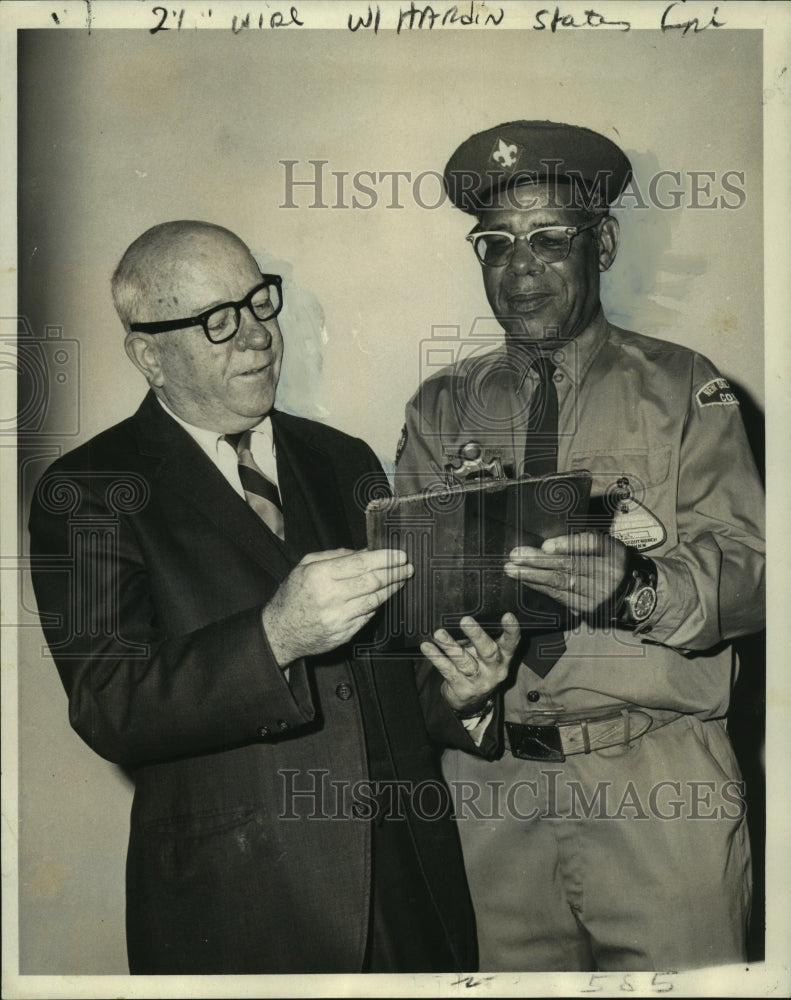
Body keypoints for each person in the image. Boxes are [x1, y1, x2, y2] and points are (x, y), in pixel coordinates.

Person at [27, 220, 521, 975]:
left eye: (260, 303)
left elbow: (384, 672)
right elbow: (109, 704)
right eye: (216, 321)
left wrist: (458, 694)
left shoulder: (341, 457)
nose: (256, 337)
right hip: (244, 908)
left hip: (405, 891)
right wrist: (275, 637)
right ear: (148, 355)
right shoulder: (88, 491)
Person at [395, 121, 765, 971]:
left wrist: (636, 586)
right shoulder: (438, 409)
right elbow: (407, 605)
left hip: (656, 784)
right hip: (491, 792)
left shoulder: (682, 387)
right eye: (495, 244)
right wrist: (454, 685)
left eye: (549, 240)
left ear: (601, 242)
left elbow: (756, 572)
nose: (518, 268)